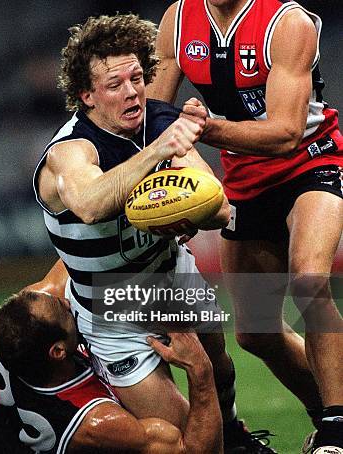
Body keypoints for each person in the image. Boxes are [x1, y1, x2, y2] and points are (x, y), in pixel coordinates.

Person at [33, 13, 273, 453]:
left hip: (171, 277)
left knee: (217, 368)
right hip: (112, 309)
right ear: (85, 95)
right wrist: (159, 151)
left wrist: (186, 211)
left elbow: (219, 207)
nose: (132, 92)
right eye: (114, 85)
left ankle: (238, 438)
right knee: (183, 440)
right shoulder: (70, 151)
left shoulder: (160, 120)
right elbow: (88, 205)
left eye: (137, 78)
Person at [147, 1, 343, 451]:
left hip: (309, 163)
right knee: (256, 331)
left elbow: (285, 133)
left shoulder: (286, 21)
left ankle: (336, 431)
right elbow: (155, 114)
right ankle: (330, 413)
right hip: (243, 180)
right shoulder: (178, 20)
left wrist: (202, 129)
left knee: (310, 282)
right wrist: (174, 184)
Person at [0, 290, 224, 453]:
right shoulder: (95, 421)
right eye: (61, 310)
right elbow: (192, 450)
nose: (66, 302)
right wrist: (201, 373)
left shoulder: (15, 347)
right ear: (59, 351)